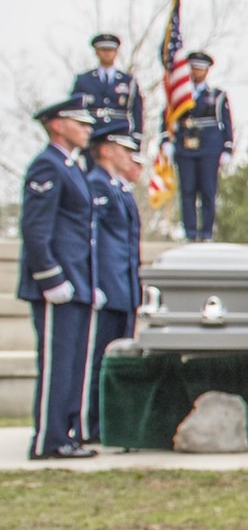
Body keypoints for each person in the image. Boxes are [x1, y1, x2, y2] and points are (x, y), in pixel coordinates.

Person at [16, 94, 100, 460]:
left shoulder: (71, 167)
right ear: (57, 125)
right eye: (79, 123)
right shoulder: (47, 166)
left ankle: (64, 434)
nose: (87, 130)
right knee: (56, 364)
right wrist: (50, 278)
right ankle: (48, 440)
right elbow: (36, 230)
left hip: (76, 283)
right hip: (56, 284)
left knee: (72, 364)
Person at [80, 117, 145, 446]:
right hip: (105, 288)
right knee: (97, 363)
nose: (129, 155)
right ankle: (90, 424)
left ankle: (108, 423)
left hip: (124, 290)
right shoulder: (94, 185)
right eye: (124, 148)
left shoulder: (119, 189)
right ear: (105, 150)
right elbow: (92, 243)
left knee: (116, 362)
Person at [170, 51, 234, 242]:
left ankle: (206, 232)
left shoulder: (217, 95)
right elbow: (168, 118)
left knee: (208, 190)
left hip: (209, 147)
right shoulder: (180, 94)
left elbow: (226, 123)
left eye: (200, 68)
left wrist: (228, 147)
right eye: (194, 68)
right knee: (187, 189)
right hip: (185, 147)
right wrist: (166, 140)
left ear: (206, 71)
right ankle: (189, 231)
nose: (196, 72)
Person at [72, 33, 143, 128]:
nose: (107, 53)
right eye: (103, 50)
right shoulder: (84, 80)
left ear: (116, 52)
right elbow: (75, 109)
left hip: (119, 131)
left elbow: (136, 110)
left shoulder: (128, 81)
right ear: (96, 52)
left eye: (110, 50)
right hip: (92, 131)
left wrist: (137, 135)